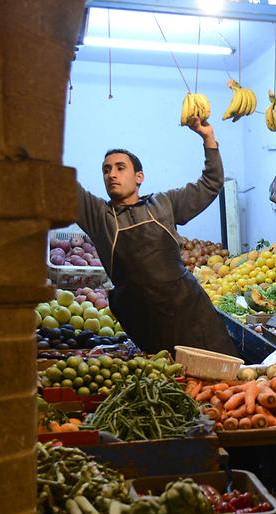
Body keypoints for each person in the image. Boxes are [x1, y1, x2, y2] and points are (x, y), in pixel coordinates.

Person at [75, 115, 237, 356]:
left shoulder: (164, 204)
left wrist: (208, 139)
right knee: (167, 380)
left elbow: (210, 184)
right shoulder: (99, 216)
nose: (112, 174)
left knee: (220, 373)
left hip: (189, 310)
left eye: (120, 168)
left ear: (139, 177)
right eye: (106, 170)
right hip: (144, 319)